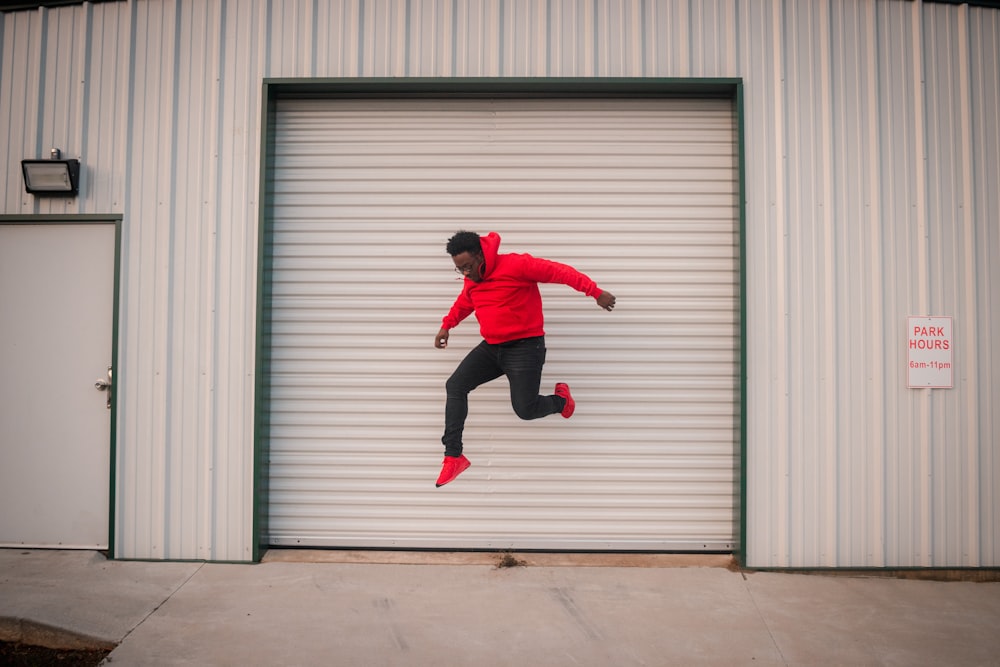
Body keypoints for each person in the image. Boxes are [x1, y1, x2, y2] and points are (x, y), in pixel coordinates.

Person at [433, 231, 616, 487]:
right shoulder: (471, 279)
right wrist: (447, 326)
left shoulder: (517, 265)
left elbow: (559, 271)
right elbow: (466, 302)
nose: (466, 273)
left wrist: (595, 292)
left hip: (525, 347)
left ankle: (561, 401)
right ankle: (454, 456)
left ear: (480, 255)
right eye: (459, 269)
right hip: (493, 347)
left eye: (468, 266)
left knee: (525, 410)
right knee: (455, 385)